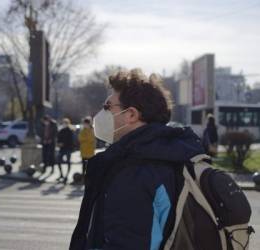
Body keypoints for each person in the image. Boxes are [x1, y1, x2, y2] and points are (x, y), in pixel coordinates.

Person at [69, 69, 205, 250]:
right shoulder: (167, 156)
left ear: (131, 114)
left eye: (107, 107)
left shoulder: (133, 173)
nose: (101, 114)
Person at [57, 118, 74, 184]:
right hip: (62, 148)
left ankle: (66, 175)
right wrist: (59, 143)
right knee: (59, 161)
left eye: (66, 123)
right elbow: (58, 138)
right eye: (64, 123)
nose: (65, 124)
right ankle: (61, 175)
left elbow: (71, 141)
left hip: (68, 148)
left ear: (68, 123)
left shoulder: (70, 131)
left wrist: (64, 143)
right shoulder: (61, 130)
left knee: (68, 162)